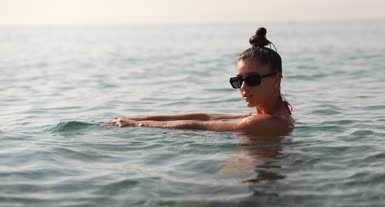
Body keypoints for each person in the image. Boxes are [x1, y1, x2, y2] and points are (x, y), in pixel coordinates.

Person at [106, 27, 294, 136]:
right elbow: (208, 117)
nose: (243, 87)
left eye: (252, 80)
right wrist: (137, 118)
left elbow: (202, 126)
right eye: (238, 81)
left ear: (276, 79)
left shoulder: (270, 122)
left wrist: (137, 125)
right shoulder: (262, 115)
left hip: (254, 183)